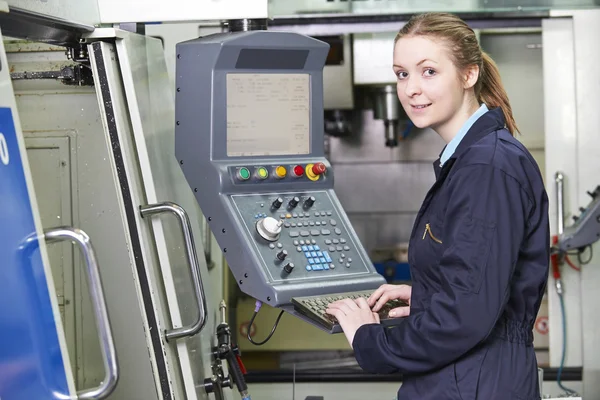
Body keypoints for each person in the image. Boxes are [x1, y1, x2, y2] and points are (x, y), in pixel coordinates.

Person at [325, 12, 549, 400]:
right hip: (470, 377)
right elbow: (478, 290)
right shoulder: (473, 159)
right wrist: (428, 295)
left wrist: (370, 339)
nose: (411, 88)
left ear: (469, 75)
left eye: (428, 71)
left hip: (474, 383)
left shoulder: (486, 167)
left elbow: (464, 318)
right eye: (401, 74)